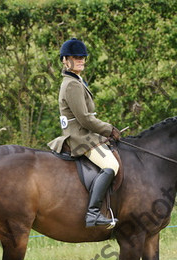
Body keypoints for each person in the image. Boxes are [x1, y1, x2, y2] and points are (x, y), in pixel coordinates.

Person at [48, 38, 120, 228]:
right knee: (111, 164)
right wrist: (108, 129)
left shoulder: (77, 81)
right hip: (80, 138)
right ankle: (93, 213)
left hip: (87, 135)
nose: (81, 60)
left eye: (83, 57)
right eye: (76, 57)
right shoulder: (71, 84)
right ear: (65, 60)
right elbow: (84, 119)